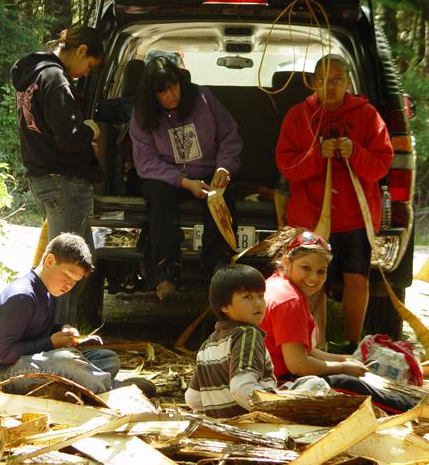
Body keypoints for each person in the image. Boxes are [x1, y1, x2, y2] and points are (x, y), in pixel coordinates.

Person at [275, 54, 393, 347]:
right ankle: (317, 344)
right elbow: (286, 165)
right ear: (314, 83)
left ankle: (353, 343)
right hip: (311, 216)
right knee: (311, 282)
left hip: (354, 216)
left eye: (337, 80)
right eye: (324, 81)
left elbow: (381, 166)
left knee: (357, 279)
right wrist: (317, 155)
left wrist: (356, 152)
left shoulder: (367, 115)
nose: (330, 87)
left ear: (348, 82)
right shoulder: (299, 115)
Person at [259, 227, 416, 414]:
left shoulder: (277, 283)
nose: (314, 278)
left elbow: (304, 351)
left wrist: (344, 359)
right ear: (287, 262)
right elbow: (298, 365)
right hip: (280, 384)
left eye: (321, 271)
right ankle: (414, 409)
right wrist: (342, 367)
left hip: (271, 376)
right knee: (347, 384)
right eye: (305, 268)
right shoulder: (289, 301)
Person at [10, 26, 105, 328]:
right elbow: (68, 136)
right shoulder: (56, 78)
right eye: (89, 65)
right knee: (68, 267)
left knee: (79, 262)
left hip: (44, 178)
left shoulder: (33, 77)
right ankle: (54, 334)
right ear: (80, 51)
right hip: (64, 182)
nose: (84, 74)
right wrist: (90, 129)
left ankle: (59, 329)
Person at [0, 233, 155, 397]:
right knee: (66, 360)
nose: (69, 285)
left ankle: (78, 385)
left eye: (75, 281)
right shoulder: (22, 297)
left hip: (34, 362)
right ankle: (110, 389)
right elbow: (3, 354)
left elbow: (34, 328)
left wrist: (62, 328)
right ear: (50, 261)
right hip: (6, 374)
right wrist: (51, 343)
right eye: (67, 275)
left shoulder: (48, 291)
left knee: (108, 358)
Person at [129, 56, 243, 301]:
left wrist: (224, 167)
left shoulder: (203, 98)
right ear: (152, 96)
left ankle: (219, 268)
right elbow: (146, 161)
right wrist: (183, 182)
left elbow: (229, 135)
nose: (171, 96)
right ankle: (164, 275)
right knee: (159, 199)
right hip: (167, 177)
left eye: (174, 87)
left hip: (208, 172)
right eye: (163, 92)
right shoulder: (142, 114)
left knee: (222, 197)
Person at [186, 265, 278, 418]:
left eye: (260, 296)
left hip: (222, 428)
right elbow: (242, 388)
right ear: (224, 307)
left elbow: (193, 399)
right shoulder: (247, 334)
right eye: (247, 297)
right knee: (313, 383)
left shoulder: (207, 345)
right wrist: (275, 410)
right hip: (251, 424)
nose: (258, 304)